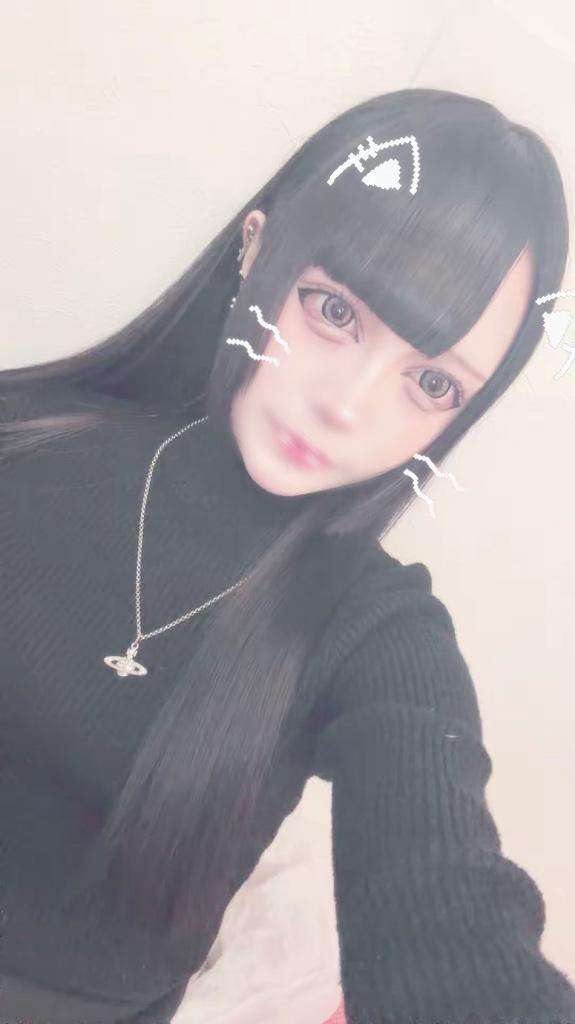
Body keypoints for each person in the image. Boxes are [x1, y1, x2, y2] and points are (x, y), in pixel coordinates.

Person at [1, 87, 574, 1024]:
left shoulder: (377, 630)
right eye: (334, 311)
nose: (346, 405)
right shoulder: (21, 439)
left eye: (431, 383)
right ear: (256, 247)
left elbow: (446, 887)